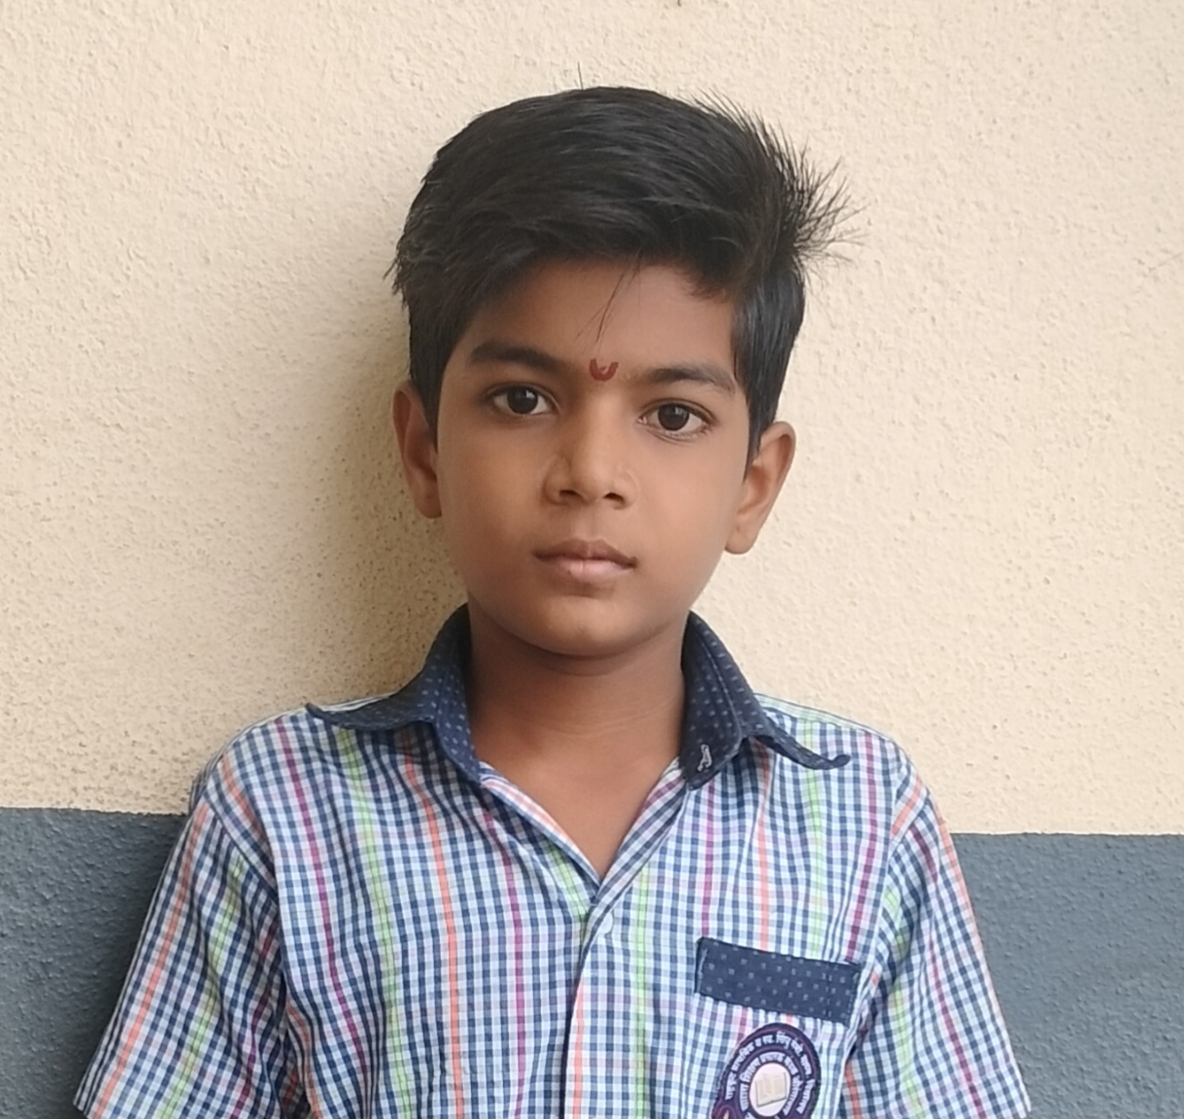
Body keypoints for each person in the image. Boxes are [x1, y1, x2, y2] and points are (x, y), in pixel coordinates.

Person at [76, 88, 1029, 1119]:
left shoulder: (862, 820)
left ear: (753, 484)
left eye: (672, 415)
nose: (590, 472)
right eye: (522, 399)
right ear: (423, 451)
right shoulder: (282, 810)